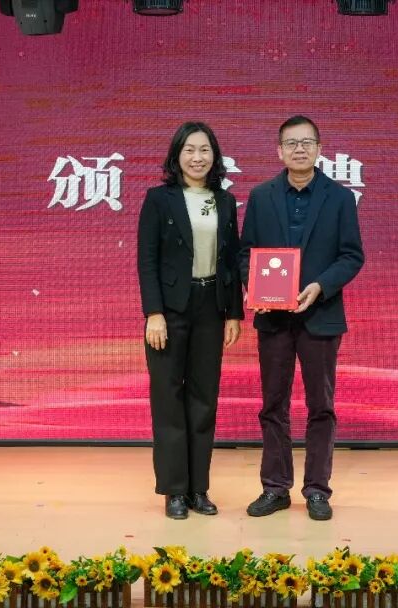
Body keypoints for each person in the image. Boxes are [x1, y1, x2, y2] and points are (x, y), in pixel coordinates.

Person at [238, 115, 364, 521]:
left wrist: (321, 286)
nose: (299, 149)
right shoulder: (261, 196)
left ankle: (317, 490)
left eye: (307, 142)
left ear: (319, 149)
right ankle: (275, 488)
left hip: (320, 315)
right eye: (291, 143)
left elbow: (351, 256)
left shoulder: (340, 198)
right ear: (279, 151)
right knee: (273, 404)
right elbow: (245, 253)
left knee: (320, 406)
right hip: (274, 318)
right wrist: (253, 287)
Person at [137, 122, 244, 519]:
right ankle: (174, 491)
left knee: (203, 400)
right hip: (169, 310)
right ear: (176, 155)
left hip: (211, 306)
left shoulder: (225, 201)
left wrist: (234, 313)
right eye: (189, 150)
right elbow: (147, 260)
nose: (197, 158)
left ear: (215, 156)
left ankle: (199, 488)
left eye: (204, 150)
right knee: (168, 399)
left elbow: (231, 260)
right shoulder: (159, 199)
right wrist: (154, 314)